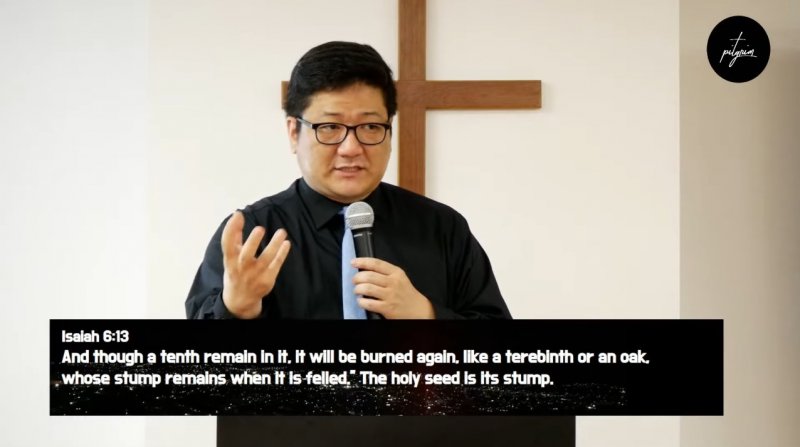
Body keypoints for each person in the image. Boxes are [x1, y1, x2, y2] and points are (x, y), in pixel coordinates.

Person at [186, 41, 510, 320]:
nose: (351, 148)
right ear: (294, 132)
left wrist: (425, 314)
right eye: (329, 127)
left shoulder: (442, 228)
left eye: (370, 127)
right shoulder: (252, 237)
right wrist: (236, 308)